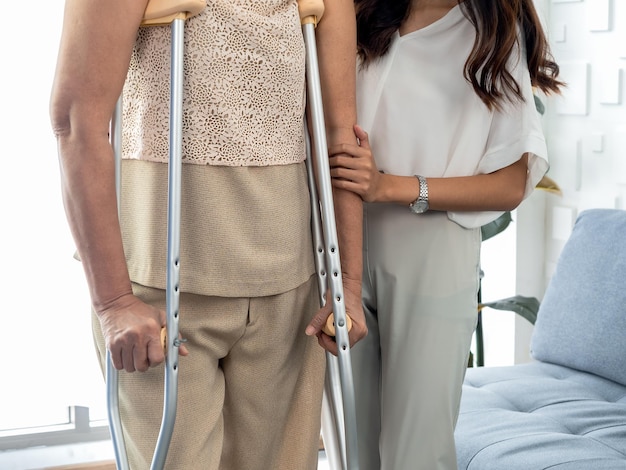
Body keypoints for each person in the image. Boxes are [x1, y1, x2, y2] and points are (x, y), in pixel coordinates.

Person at [49, 0, 366, 468]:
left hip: (289, 290)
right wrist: (113, 303)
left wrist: (349, 286)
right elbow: (76, 122)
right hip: (162, 291)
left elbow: (339, 142)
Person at [327, 0, 564, 468]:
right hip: (337, 241)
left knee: (416, 452)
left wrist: (390, 185)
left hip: (434, 246)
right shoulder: (354, 14)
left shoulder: (493, 35)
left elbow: (513, 182)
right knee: (350, 448)